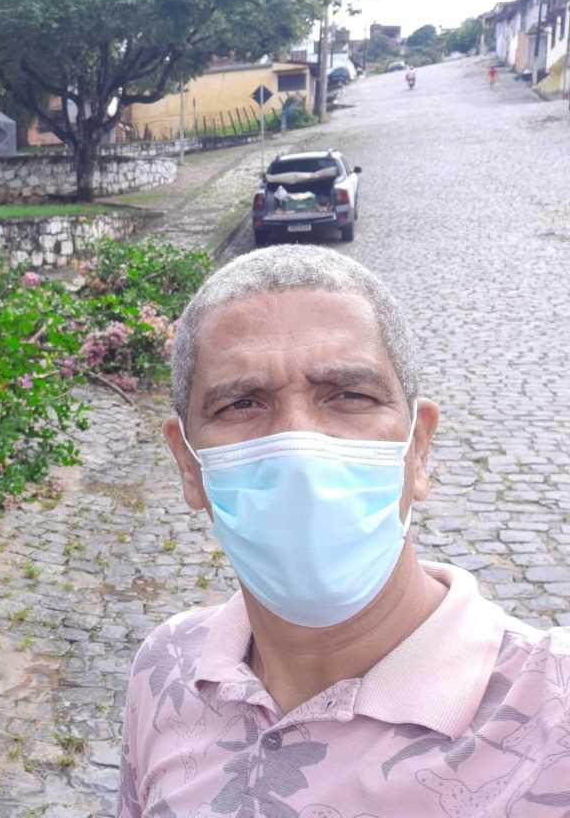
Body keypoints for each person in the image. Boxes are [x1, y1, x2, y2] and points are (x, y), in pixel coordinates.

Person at [118, 245, 570, 816]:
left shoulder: (554, 718)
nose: (301, 449)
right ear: (189, 465)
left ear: (418, 449)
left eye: (350, 395)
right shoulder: (166, 668)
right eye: (241, 403)